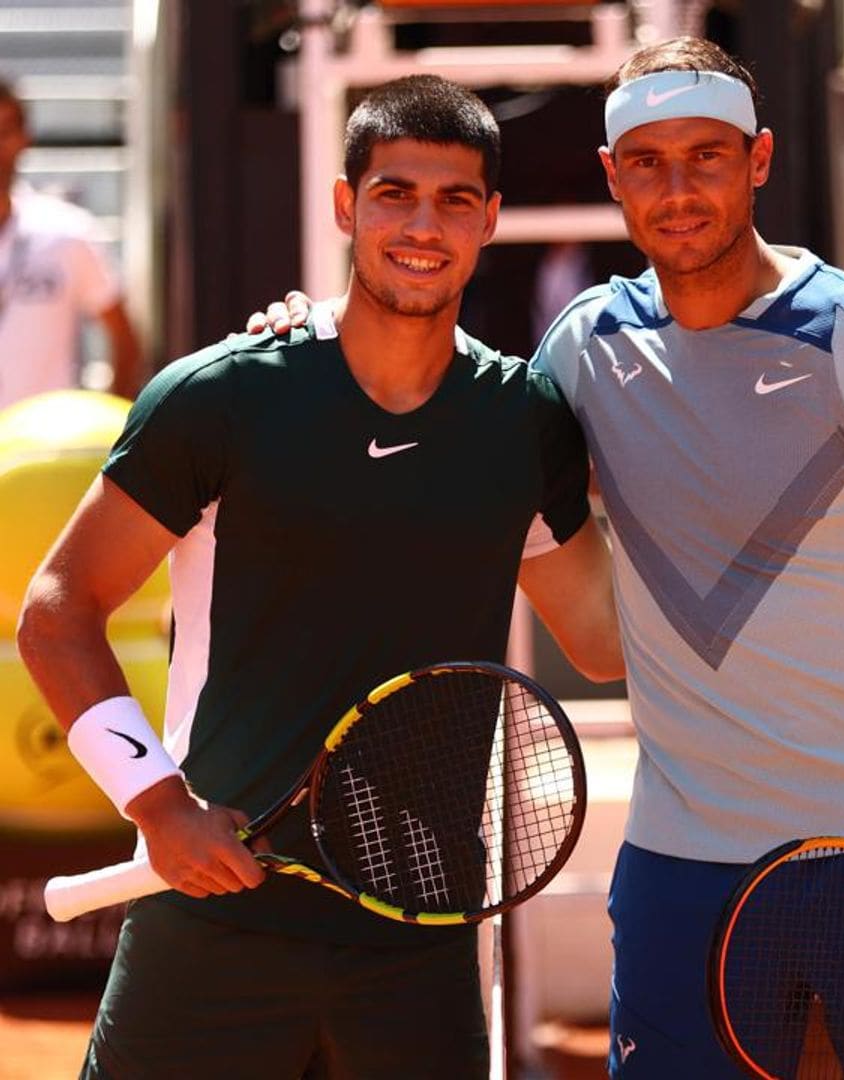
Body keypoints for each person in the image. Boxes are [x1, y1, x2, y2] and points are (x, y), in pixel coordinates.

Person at [258, 39, 844, 1080]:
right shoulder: (583, 350)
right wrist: (310, 334)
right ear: (610, 175)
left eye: (707, 157)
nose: (677, 189)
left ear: (759, 160)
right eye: (646, 161)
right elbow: (437, 401)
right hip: (682, 869)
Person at [17, 75, 622, 1079]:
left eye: (455, 200)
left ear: (490, 222)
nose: (422, 225)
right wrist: (157, 806)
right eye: (394, 193)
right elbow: (56, 612)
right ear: (346, 206)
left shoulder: (524, 424)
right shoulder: (221, 398)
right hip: (210, 931)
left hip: (417, 934)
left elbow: (601, 640)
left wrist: (668, 462)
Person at [0, 77, 141, 408]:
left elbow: (125, 340)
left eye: (3, 131)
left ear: (24, 138)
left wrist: (109, 435)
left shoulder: (67, 231)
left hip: (41, 451)